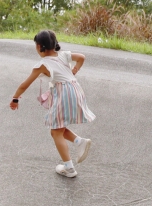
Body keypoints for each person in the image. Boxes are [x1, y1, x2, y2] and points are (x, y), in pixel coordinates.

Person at [9, 30, 95, 178]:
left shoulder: (43, 64)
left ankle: (69, 167)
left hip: (63, 93)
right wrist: (74, 70)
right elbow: (81, 57)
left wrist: (15, 98)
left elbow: (25, 84)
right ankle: (79, 142)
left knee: (55, 131)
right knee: (58, 128)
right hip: (75, 89)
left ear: (39, 46)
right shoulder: (63, 55)